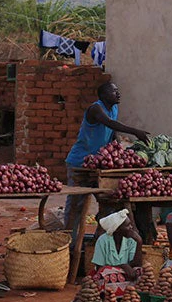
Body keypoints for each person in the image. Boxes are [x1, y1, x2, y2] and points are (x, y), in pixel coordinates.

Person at [64, 82, 149, 235]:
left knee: (108, 202)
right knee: (77, 205)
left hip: (98, 165)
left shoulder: (114, 109)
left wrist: (118, 150)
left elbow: (111, 132)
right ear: (103, 95)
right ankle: (70, 242)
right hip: (80, 163)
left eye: (117, 91)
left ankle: (99, 239)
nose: (118, 94)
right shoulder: (96, 109)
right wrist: (135, 131)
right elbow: (110, 123)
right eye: (114, 91)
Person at [90, 210, 142, 298]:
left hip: (126, 273)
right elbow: (99, 267)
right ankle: (110, 298)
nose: (131, 227)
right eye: (127, 225)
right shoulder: (103, 240)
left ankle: (132, 298)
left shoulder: (131, 240)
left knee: (140, 272)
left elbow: (136, 264)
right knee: (106, 273)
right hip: (109, 275)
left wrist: (139, 242)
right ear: (117, 229)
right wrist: (122, 266)